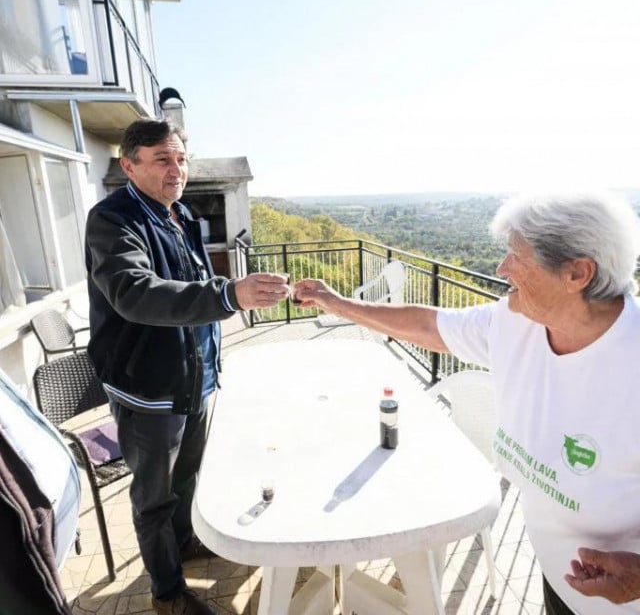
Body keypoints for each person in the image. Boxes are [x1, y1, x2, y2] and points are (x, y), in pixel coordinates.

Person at [293, 190, 640, 615]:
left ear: (577, 273)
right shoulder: (517, 322)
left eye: (517, 256)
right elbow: (429, 325)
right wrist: (336, 303)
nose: (501, 269)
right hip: (560, 583)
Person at [85, 118, 289, 615]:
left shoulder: (180, 214)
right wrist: (229, 293)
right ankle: (168, 594)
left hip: (193, 380)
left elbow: (188, 286)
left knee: (188, 478)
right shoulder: (113, 221)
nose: (176, 169)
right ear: (129, 165)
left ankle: (184, 546)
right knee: (154, 498)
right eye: (162, 160)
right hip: (149, 390)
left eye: (180, 159)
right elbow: (135, 294)